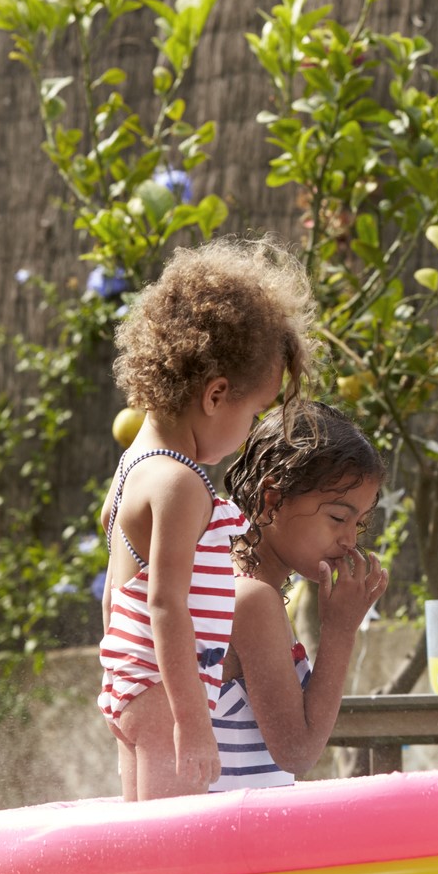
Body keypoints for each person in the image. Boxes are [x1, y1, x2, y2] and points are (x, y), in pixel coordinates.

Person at [97, 237, 316, 801]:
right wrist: (192, 720)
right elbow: (166, 603)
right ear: (217, 394)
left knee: (144, 844)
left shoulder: (130, 468)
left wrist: (118, 678)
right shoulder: (178, 481)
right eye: (254, 413)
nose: (251, 430)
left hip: (133, 685)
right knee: (176, 852)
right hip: (165, 696)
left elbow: (115, 595)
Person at [210, 401, 387, 790]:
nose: (348, 539)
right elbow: (298, 753)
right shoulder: (252, 599)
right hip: (234, 837)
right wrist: (340, 631)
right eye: (338, 518)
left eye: (358, 524)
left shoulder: (237, 583)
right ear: (272, 499)